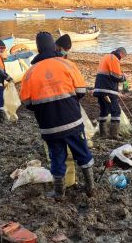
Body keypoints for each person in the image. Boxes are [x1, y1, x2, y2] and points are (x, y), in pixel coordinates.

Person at [20, 32, 95, 199]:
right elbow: (81, 91)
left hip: (49, 127)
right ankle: (90, 188)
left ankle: (59, 192)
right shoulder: (67, 65)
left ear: (38, 49)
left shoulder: (30, 73)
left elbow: (28, 103)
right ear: (54, 46)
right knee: (83, 154)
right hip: (73, 123)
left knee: (57, 157)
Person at [93, 47, 127, 139]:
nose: (122, 58)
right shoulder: (114, 58)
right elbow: (116, 76)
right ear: (121, 53)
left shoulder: (106, 57)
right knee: (116, 111)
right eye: (123, 56)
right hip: (108, 89)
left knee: (104, 110)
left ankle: (103, 133)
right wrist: (123, 77)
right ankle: (114, 134)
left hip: (99, 89)